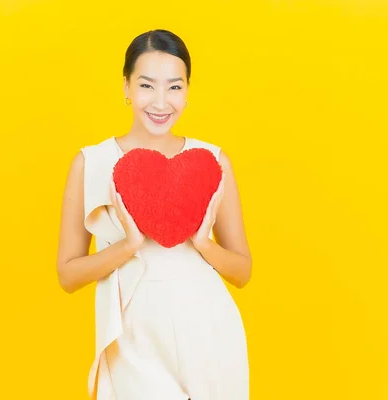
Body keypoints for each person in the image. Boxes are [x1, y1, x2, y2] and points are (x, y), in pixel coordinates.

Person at [56, 29, 252, 400]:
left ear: (188, 92)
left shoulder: (211, 162)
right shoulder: (90, 163)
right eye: (147, 85)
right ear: (126, 87)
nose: (160, 102)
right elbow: (67, 274)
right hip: (134, 338)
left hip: (209, 330)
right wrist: (129, 245)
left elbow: (242, 272)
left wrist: (202, 243)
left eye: (175, 87)